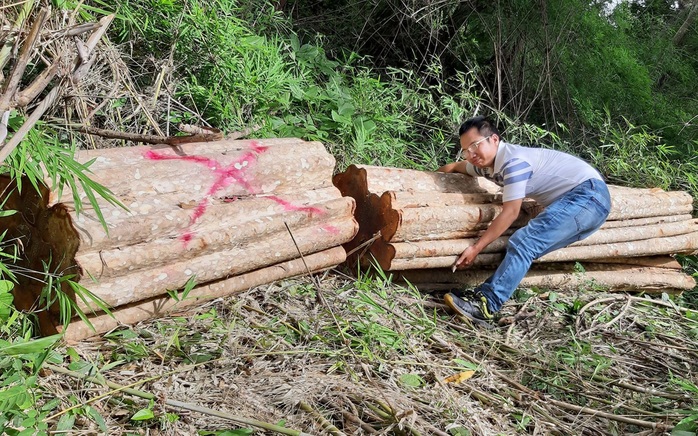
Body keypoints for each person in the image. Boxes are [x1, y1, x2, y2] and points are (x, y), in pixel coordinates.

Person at [437, 116, 611, 327]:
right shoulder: (485, 165)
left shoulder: (513, 162)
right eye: (466, 149)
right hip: (587, 203)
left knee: (524, 242)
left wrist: (476, 248)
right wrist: (428, 182)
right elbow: (455, 167)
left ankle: (487, 305)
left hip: (588, 197)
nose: (471, 154)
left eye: (475, 145)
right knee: (526, 245)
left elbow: (510, 212)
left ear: (494, 139)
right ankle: (484, 295)